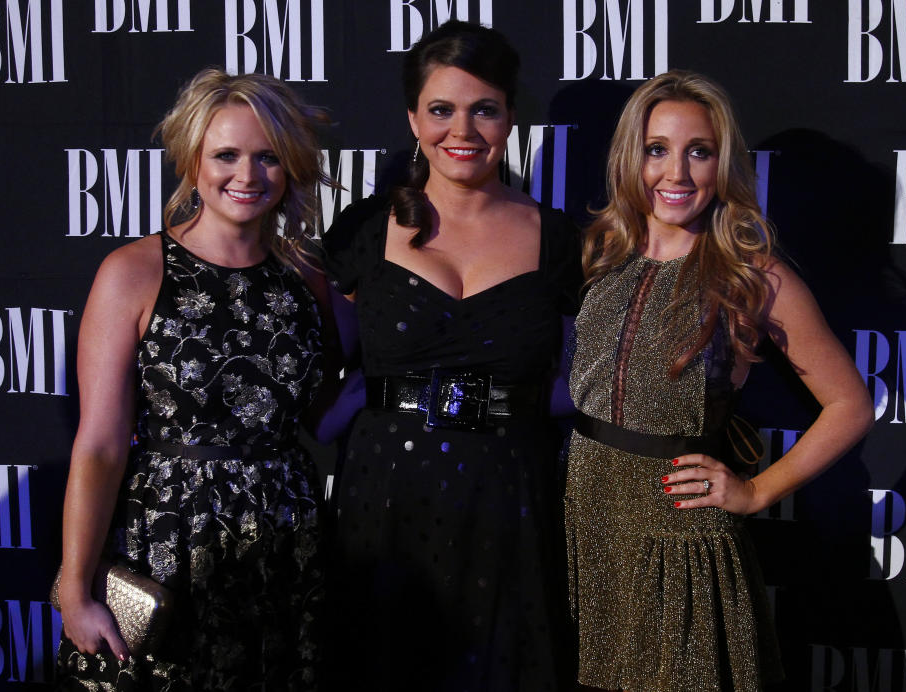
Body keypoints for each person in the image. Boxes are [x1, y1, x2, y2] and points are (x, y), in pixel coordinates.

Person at [564, 70, 874, 691]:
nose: (676, 173)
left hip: (680, 534)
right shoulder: (602, 252)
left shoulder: (751, 275)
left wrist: (757, 492)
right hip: (589, 526)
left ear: (722, 164)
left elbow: (850, 405)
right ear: (632, 156)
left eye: (697, 152)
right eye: (658, 150)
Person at [322, 20, 581, 692]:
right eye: (441, 109)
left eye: (483, 109)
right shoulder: (363, 229)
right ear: (413, 118)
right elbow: (312, 363)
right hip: (385, 497)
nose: (461, 130)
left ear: (510, 117)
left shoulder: (558, 239)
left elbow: (586, 382)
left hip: (510, 498)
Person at [55, 68, 335, 690]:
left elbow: (324, 415)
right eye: (226, 155)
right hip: (169, 538)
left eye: (268, 157)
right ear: (191, 159)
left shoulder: (308, 279)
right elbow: (100, 443)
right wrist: (75, 588)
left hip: (289, 544)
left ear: (290, 165)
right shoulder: (134, 271)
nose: (247, 175)